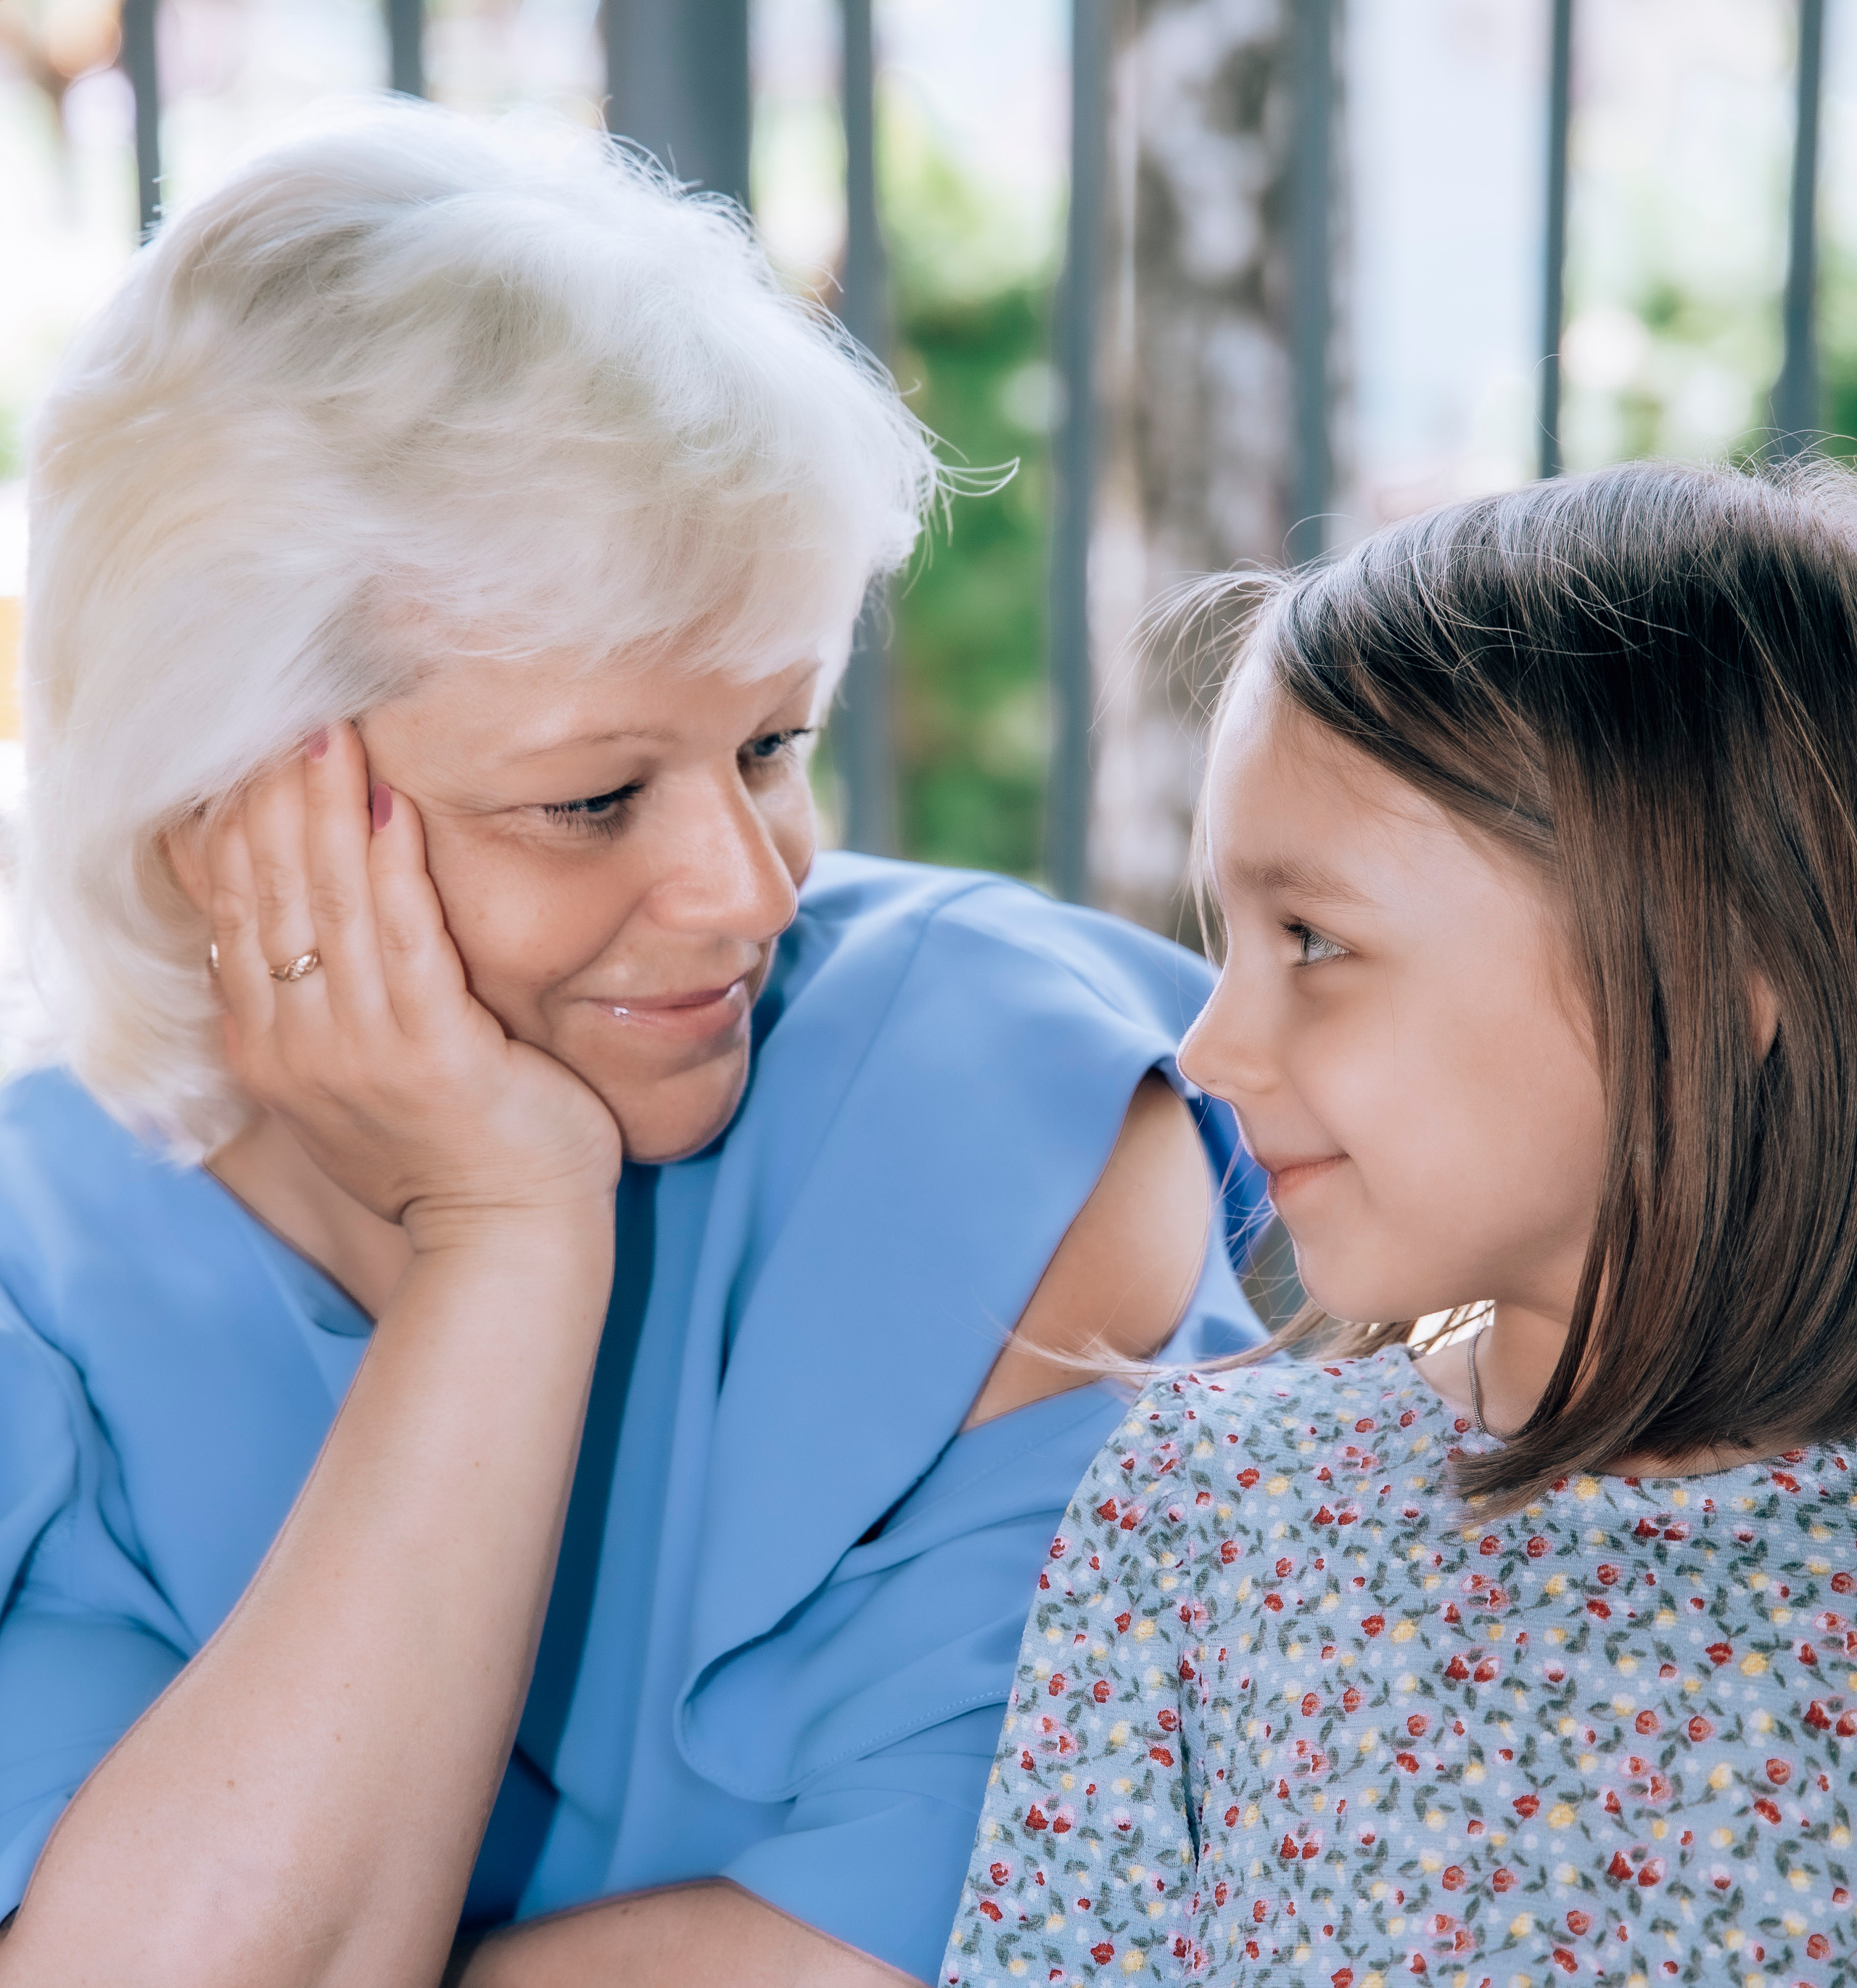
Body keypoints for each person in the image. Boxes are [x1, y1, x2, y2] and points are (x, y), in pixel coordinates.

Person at [0, 104, 1269, 1988]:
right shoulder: (42, 1279)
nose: (747, 891)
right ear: (224, 825)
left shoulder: (997, 1104)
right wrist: (510, 1237)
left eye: (773, 742)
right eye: (594, 800)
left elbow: (989, 1934)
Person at [942, 461, 1857, 1987]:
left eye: (1313, 938)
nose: (1214, 1043)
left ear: (1727, 959)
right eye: (1224, 933)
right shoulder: (1206, 1518)